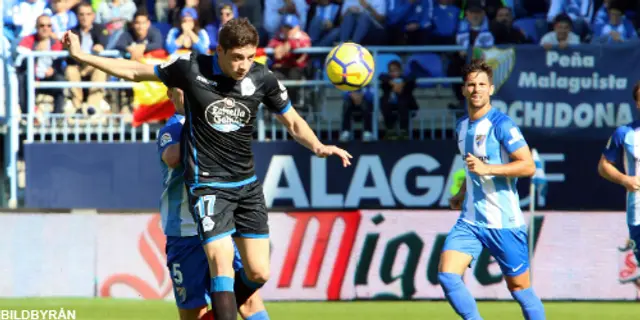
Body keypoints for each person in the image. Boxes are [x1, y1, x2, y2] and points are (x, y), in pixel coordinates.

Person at [62, 18, 352, 320]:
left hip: (247, 186)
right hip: (209, 186)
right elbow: (136, 71)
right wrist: (82, 56)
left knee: (259, 272)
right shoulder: (191, 68)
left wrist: (318, 146)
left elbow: (292, 121)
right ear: (220, 52)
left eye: (250, 57)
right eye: (237, 57)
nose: (244, 65)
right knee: (221, 261)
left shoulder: (262, 77)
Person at [439, 59, 545, 320]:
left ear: (491, 89)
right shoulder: (462, 127)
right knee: (447, 276)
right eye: (471, 85)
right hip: (470, 221)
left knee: (520, 289)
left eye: (482, 85)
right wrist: (462, 192)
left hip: (504, 222)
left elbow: (528, 166)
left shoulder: (502, 124)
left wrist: (489, 170)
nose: (476, 89)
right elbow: (471, 167)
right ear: (464, 90)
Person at [159, 87, 271, 320]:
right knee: (193, 313)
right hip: (186, 231)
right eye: (182, 88)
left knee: (248, 298)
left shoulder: (217, 124)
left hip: (220, 224)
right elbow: (172, 157)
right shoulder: (173, 127)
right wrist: (199, 124)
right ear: (170, 95)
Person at [598, 81, 640, 291]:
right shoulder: (625, 133)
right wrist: (626, 180)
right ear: (637, 103)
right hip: (638, 213)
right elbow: (604, 166)